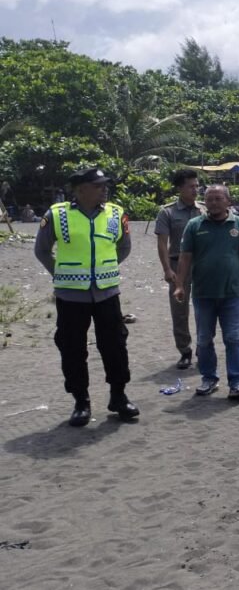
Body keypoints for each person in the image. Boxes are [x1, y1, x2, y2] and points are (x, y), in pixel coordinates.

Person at [33, 167, 138, 427]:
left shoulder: (116, 212)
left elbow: (123, 247)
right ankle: (81, 401)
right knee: (72, 349)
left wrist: (105, 270)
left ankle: (118, 396)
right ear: (80, 190)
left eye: (105, 185)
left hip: (107, 293)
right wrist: (62, 274)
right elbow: (42, 250)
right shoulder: (57, 215)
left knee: (115, 346)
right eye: (99, 185)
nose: (105, 189)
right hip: (70, 297)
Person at [174, 184, 239, 399]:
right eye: (209, 199)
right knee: (203, 339)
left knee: (233, 338)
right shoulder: (194, 225)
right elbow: (185, 257)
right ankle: (209, 378)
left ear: (228, 201)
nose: (213, 203)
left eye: (218, 199)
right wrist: (180, 285)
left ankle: (237, 382)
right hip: (203, 294)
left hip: (232, 293)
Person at [155, 169, 206, 369]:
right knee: (179, 310)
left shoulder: (204, 210)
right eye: (191, 186)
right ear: (179, 188)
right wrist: (167, 269)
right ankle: (185, 351)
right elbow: (162, 243)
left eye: (197, 186)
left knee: (205, 309)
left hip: (202, 265)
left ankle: (204, 349)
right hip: (178, 265)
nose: (195, 190)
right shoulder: (167, 212)